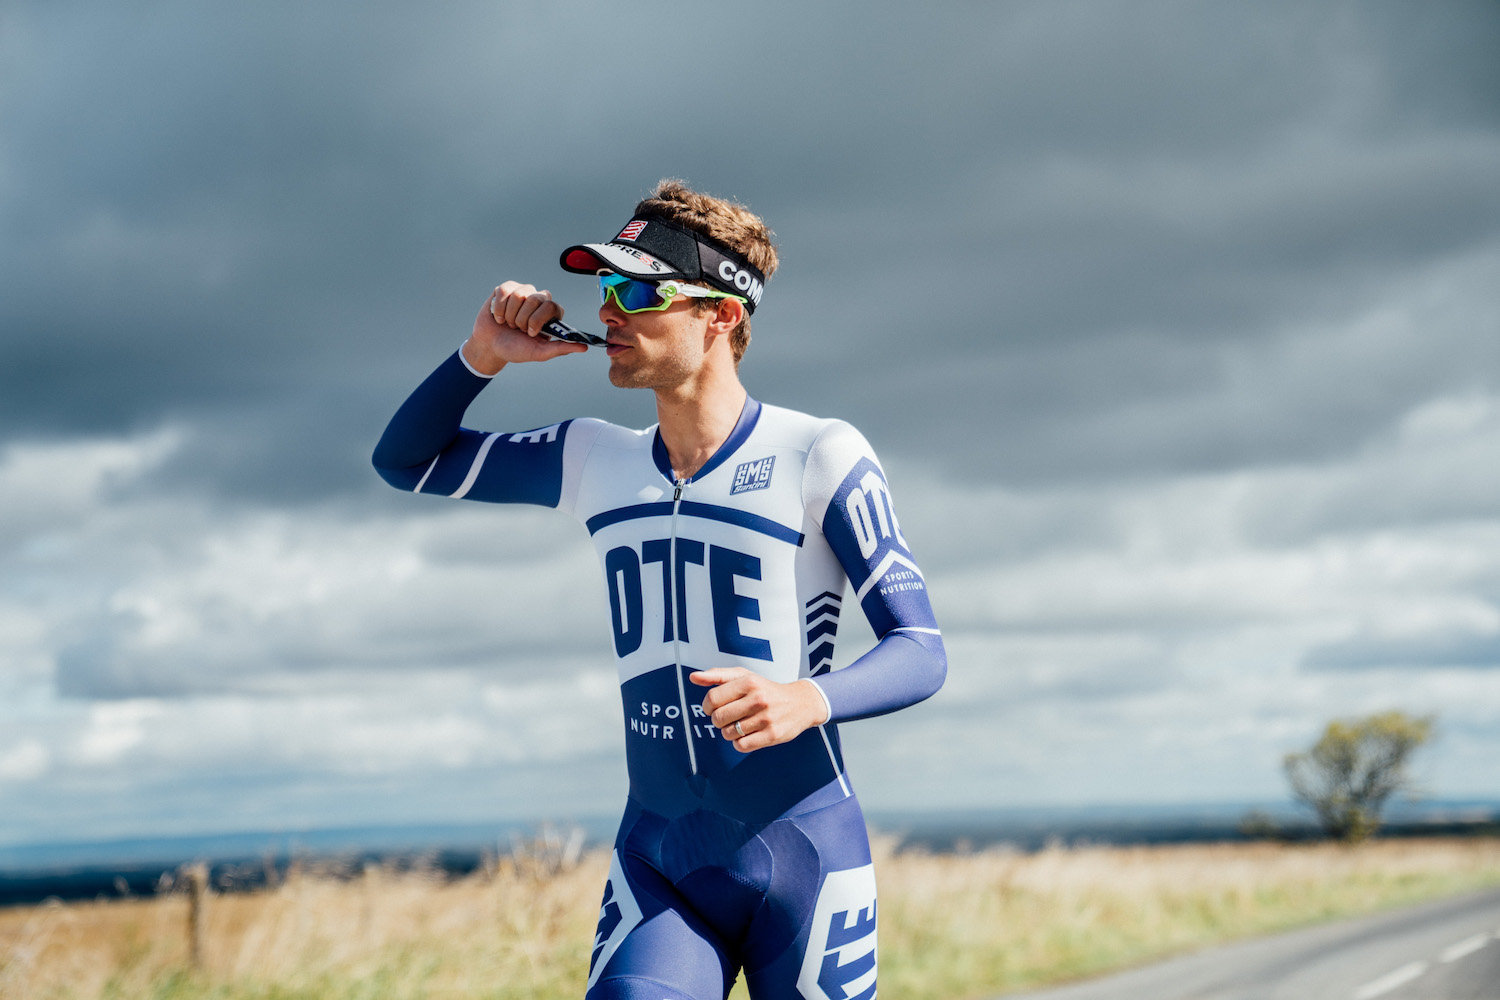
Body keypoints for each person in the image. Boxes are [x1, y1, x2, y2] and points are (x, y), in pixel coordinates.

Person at [372, 180, 946, 1000]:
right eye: (605, 289)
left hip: (804, 850)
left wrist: (809, 700)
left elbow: (921, 651)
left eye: (638, 291)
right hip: (660, 858)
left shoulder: (817, 453)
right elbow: (407, 462)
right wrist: (482, 358)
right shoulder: (594, 456)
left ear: (721, 316)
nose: (609, 311)